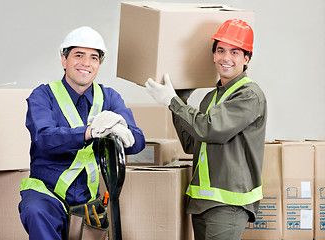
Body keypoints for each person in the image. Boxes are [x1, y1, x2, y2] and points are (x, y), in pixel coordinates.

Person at [18, 26, 145, 240]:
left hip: (88, 198)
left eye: (94, 58)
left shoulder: (110, 98)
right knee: (37, 212)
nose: (86, 63)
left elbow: (137, 142)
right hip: (47, 194)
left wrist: (122, 130)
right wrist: (89, 132)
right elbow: (44, 138)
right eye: (79, 55)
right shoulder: (43, 95)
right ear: (64, 60)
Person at [145, 19, 267, 240]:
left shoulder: (249, 95)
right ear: (213, 56)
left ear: (246, 59)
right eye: (220, 50)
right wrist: (179, 100)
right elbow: (192, 143)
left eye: (235, 52)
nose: (226, 58)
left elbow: (210, 129)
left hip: (228, 204)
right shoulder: (211, 98)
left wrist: (173, 102)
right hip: (201, 204)